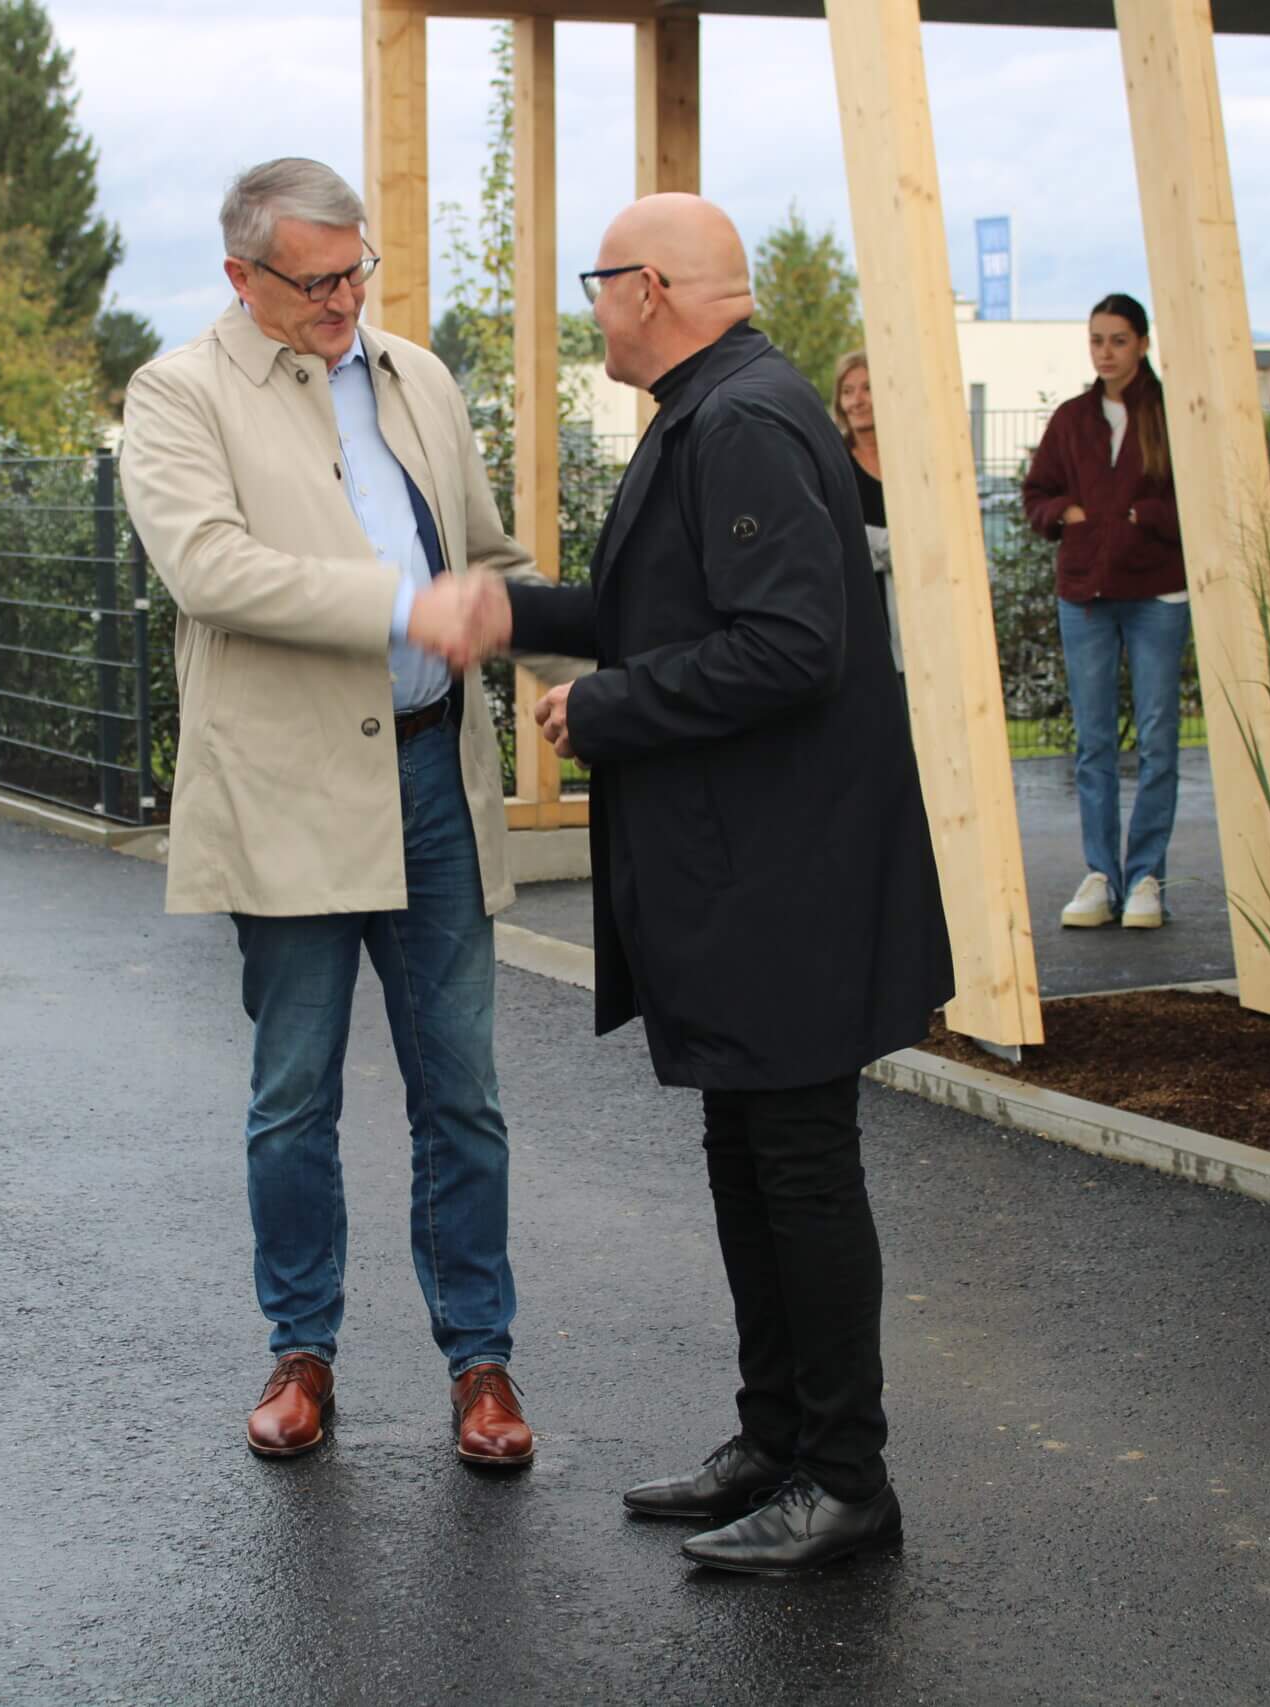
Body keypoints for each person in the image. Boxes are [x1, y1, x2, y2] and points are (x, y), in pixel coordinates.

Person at [445, 193, 953, 1573]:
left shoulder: (738, 422)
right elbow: (659, 609)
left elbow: (791, 645)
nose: (593, 310)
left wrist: (607, 707)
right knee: (752, 1157)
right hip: (756, 883)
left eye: (597, 283)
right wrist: (511, 614)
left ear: (650, 288)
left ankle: (844, 1478)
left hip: (783, 884)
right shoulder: (716, 409)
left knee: (799, 1169)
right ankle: (778, 1441)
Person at [117, 158, 542, 1468]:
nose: (343, 299)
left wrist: (595, 669)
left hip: (433, 780)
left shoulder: (418, 377)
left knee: (462, 1094)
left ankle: (481, 1363)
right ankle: (301, 1349)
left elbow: (486, 560)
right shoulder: (178, 393)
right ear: (240, 276)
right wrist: (403, 607)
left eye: (356, 271)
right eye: (314, 281)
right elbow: (210, 568)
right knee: (293, 1094)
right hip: (289, 794)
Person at [1021, 293, 1187, 930]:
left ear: (1142, 343)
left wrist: (1141, 516)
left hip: (1157, 595)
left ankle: (1145, 878)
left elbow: (1198, 494)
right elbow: (1037, 492)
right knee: (1093, 744)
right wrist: (1065, 514)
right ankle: (1100, 875)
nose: (1106, 352)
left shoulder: (1171, 414)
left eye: (1118, 340)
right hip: (1086, 595)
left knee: (1158, 741)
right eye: (1097, 340)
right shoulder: (1071, 419)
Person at [830, 350, 901, 673]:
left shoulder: (908, 460)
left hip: (916, 609)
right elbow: (834, 537)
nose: (856, 401)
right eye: (847, 391)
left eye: (867, 388)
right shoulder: (834, 462)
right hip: (859, 611)